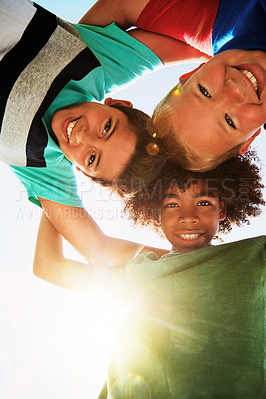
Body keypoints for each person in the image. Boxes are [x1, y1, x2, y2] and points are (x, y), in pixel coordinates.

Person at [33, 153, 265, 398]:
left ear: (222, 209)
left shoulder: (254, 254)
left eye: (204, 202)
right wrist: (53, 169)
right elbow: (50, 265)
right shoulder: (143, 269)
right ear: (157, 214)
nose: (188, 216)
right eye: (172, 204)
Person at [0, 0, 209, 264]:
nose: (82, 136)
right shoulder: (97, 62)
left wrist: (196, 263)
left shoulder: (42, 166)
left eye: (91, 158)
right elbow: (204, 46)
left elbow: (98, 248)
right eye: (107, 127)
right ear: (118, 104)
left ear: (81, 171)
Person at [81, 0, 266, 171]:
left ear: (192, 73)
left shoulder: (214, 24)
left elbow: (121, 5)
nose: (234, 89)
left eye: (205, 92)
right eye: (229, 121)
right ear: (248, 140)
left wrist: (69, 87)